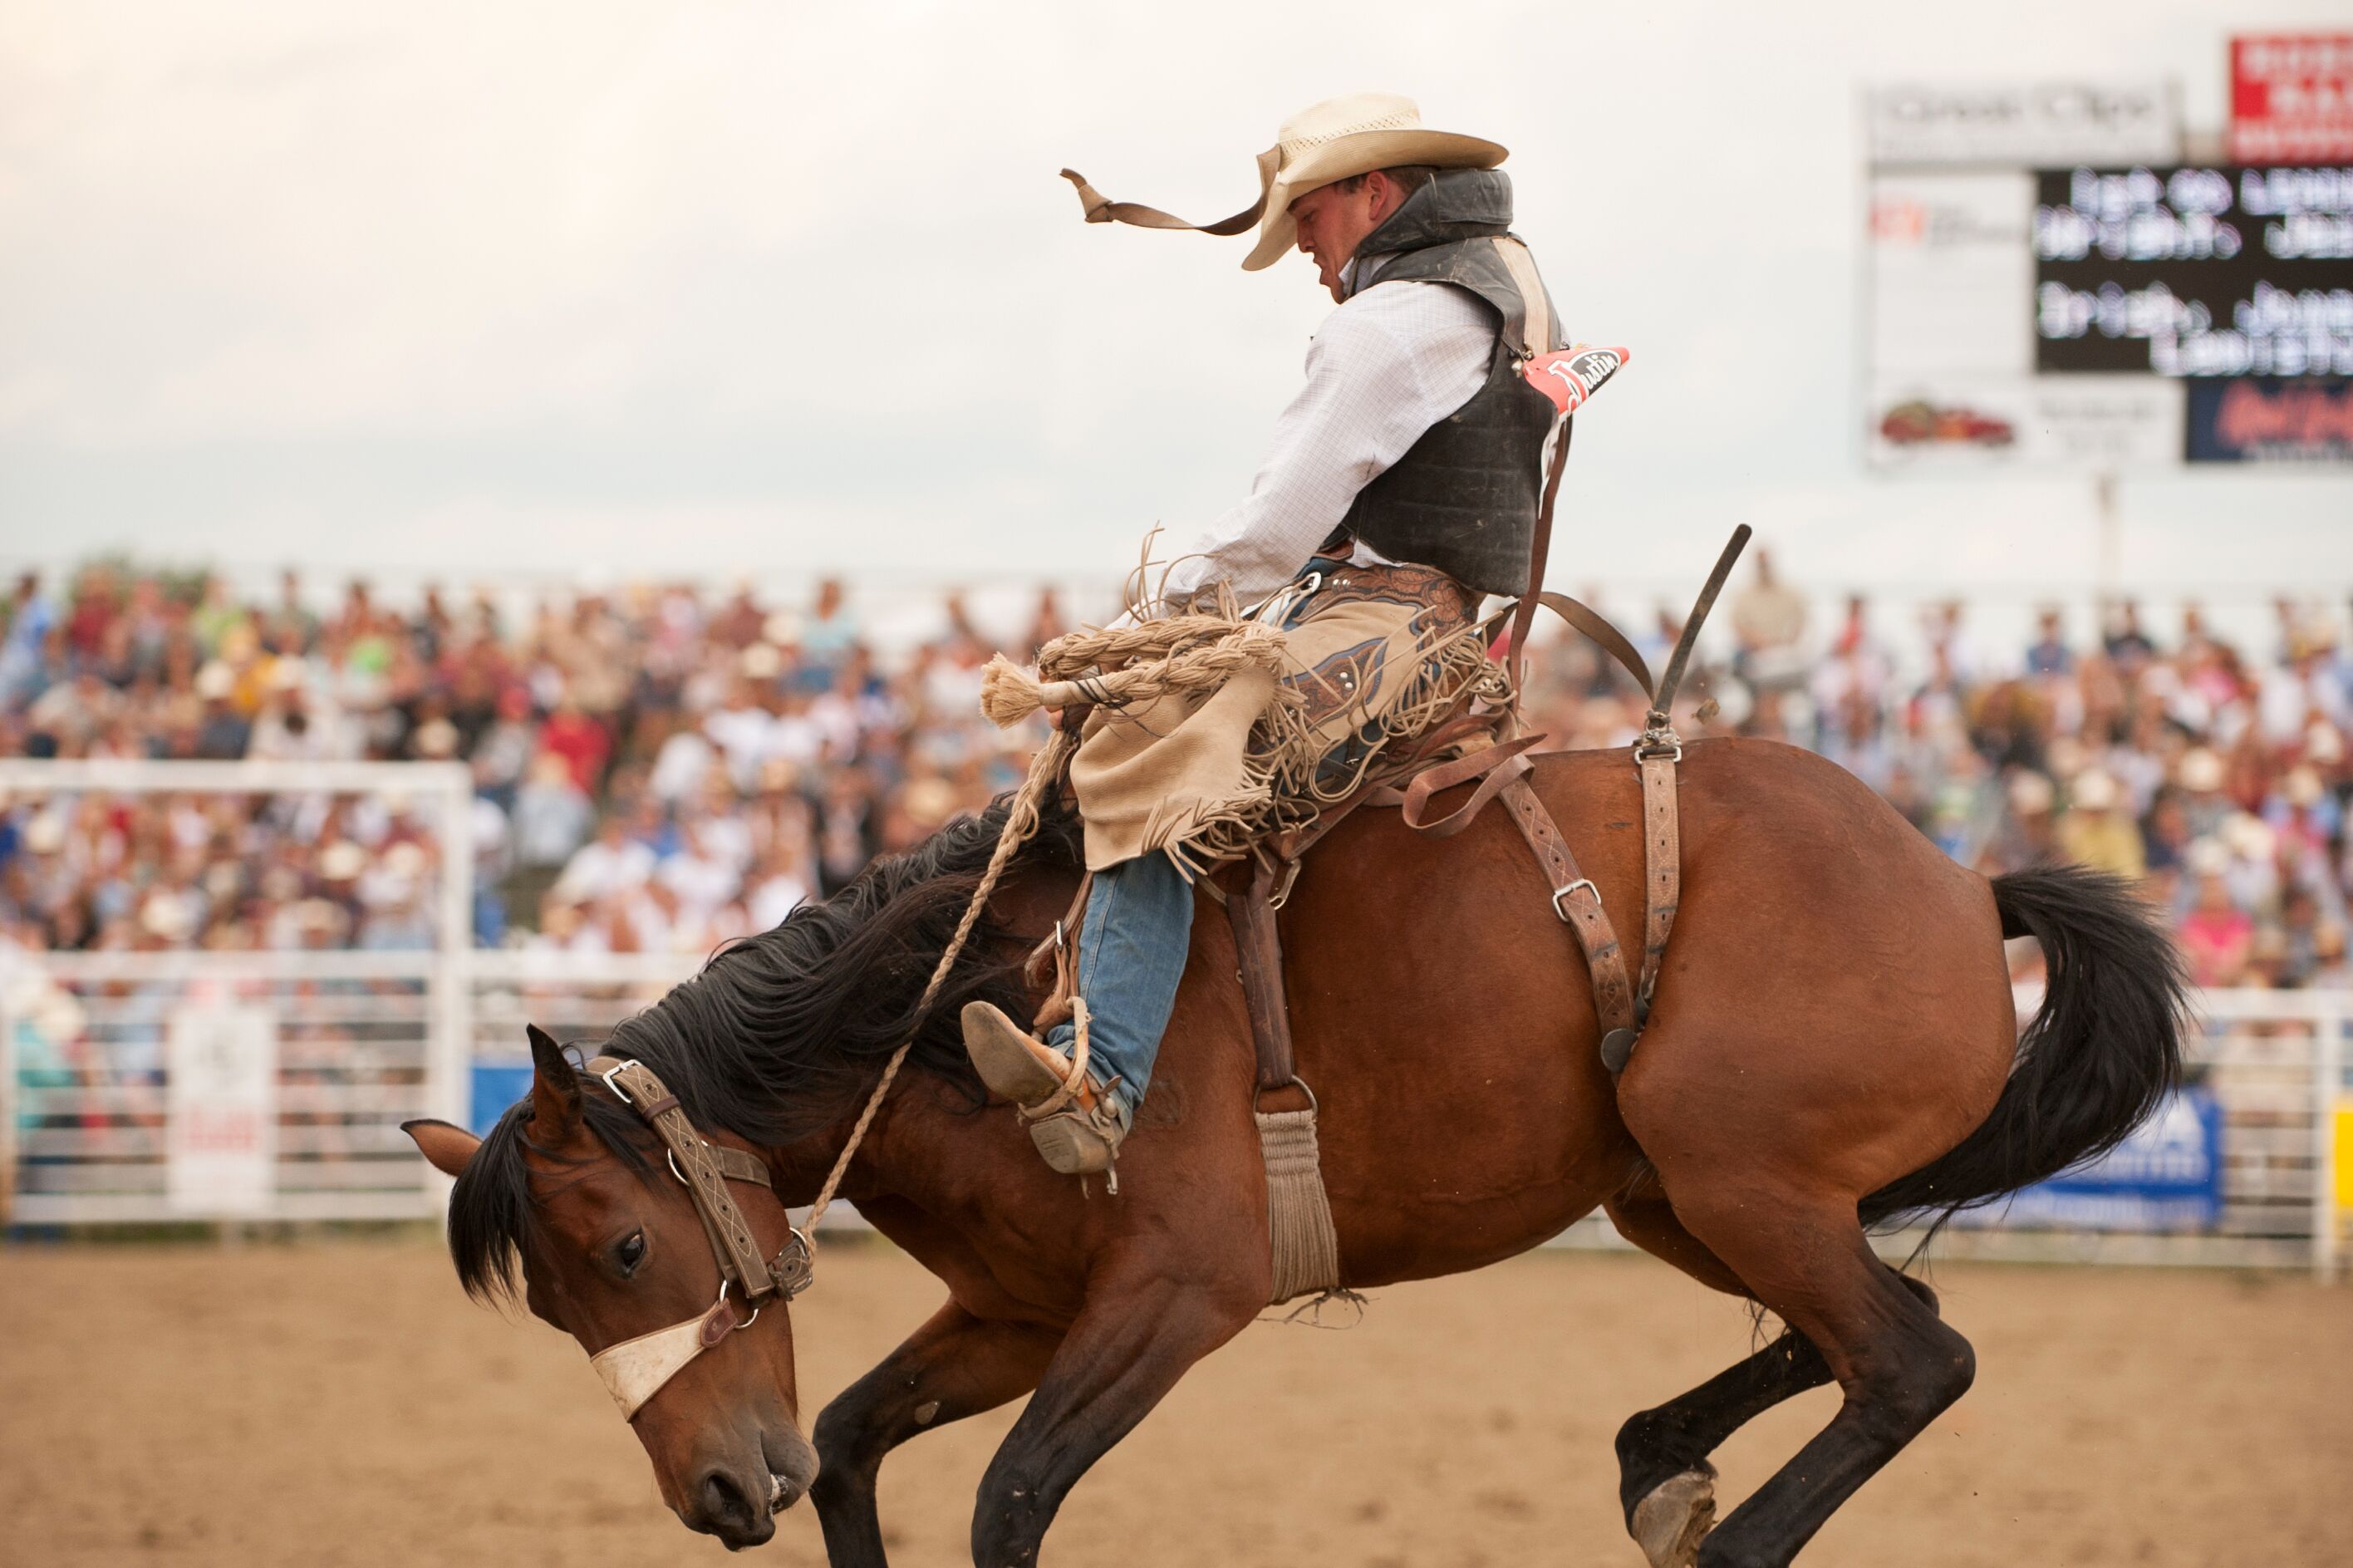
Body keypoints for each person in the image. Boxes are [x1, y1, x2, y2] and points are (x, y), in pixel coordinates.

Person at [960, 93, 1568, 1175]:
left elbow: (1272, 532)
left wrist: (1142, 628)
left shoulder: (1386, 324)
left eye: (1311, 222)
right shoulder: (1510, 288)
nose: (1303, 252)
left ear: (1372, 194)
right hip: (1445, 630)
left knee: (1150, 749)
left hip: (1377, 623)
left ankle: (1101, 1083)